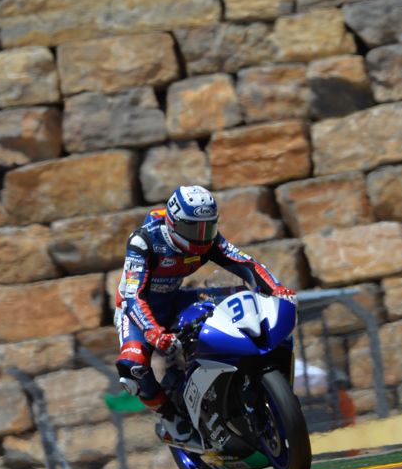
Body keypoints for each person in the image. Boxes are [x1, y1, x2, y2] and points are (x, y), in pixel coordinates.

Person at [114, 185, 297, 446]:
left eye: (207, 227)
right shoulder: (144, 241)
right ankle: (170, 420)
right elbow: (133, 296)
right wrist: (152, 330)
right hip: (137, 312)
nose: (202, 238)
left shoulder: (209, 241)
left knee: (229, 306)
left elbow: (246, 262)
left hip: (176, 299)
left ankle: (219, 383)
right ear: (174, 223)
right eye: (193, 230)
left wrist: (277, 289)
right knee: (132, 368)